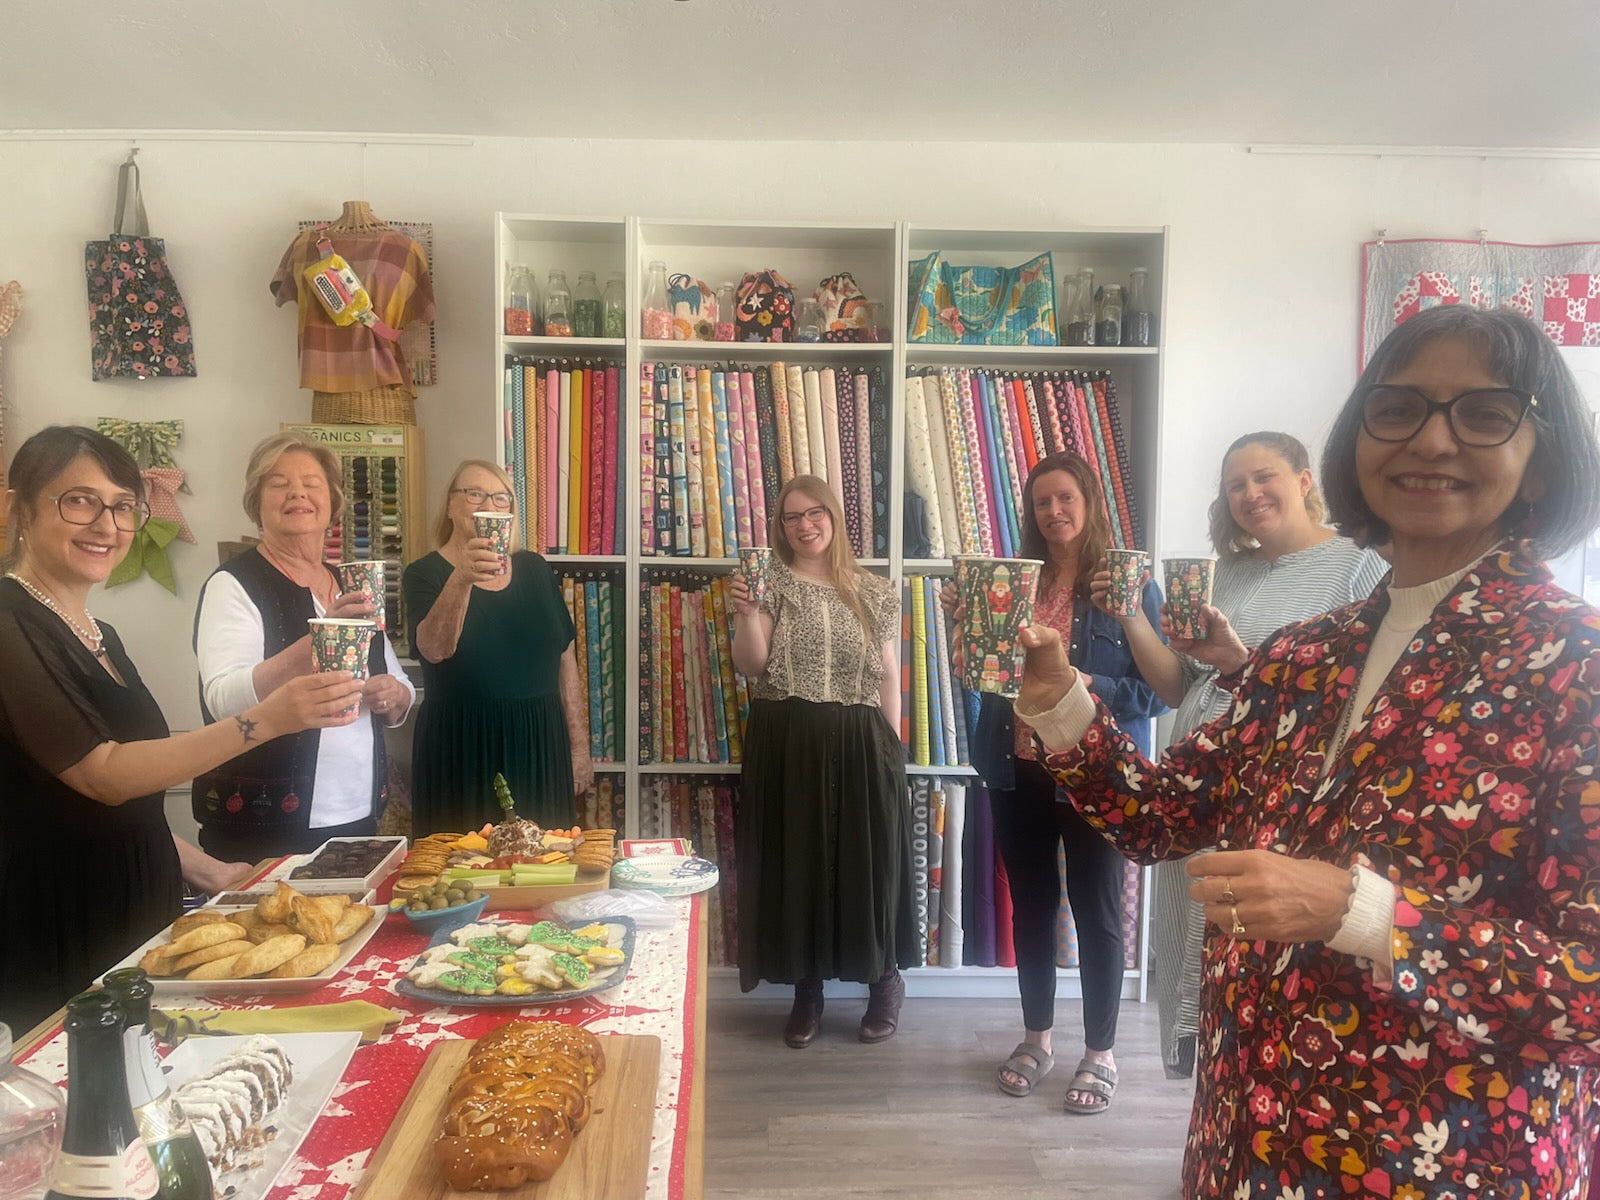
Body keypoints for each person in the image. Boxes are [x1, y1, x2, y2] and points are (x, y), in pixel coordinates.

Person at [1014, 305, 1600, 1198]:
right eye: (1397, 409)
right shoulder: (1305, 654)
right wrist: (1061, 704)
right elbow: (1162, 814)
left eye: (1483, 414)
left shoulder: (1577, 670)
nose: (1432, 440)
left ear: (1541, 458)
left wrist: (1364, 913)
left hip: (1440, 1161)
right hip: (1245, 1141)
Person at [0, 426, 363, 1033]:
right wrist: (269, 719)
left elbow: (129, 802)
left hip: (139, 906)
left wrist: (205, 869)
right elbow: (105, 775)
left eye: (122, 506)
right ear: (17, 510)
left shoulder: (98, 634)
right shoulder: (10, 622)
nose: (106, 525)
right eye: (79, 501)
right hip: (61, 914)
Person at [1088, 431, 1386, 1078]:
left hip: (1278, 784)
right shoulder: (1232, 572)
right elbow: (1177, 687)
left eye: (1264, 476)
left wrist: (1243, 665)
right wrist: (1132, 615)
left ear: (1305, 480)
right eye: (1236, 485)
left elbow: (1352, 694)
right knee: (1195, 937)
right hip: (1198, 776)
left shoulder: (1359, 567)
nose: (1251, 494)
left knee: (1248, 951)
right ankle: (1211, 1116)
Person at [944, 451, 1168, 1114]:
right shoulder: (1017, 582)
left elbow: (1158, 691)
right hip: (1019, 770)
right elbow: (980, 677)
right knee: (1032, 909)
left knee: (1098, 915)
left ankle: (1100, 1053)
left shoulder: (1124, 585)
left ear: (1089, 502)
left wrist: (1083, 682)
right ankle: (1037, 1037)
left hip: (1096, 777)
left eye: (1066, 498)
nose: (1055, 512)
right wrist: (969, 624)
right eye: (1043, 502)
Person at [730, 475, 918, 1047]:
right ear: (780, 527)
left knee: (868, 862)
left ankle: (884, 981)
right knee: (799, 863)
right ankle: (805, 991)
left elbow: (888, 675)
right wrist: (746, 611)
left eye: (815, 513)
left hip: (861, 740)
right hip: (788, 738)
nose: (805, 525)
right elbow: (752, 666)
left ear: (834, 518)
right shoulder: (769, 581)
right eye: (791, 517)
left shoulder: (875, 591)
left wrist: (893, 752)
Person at [193, 431, 415, 861]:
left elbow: (397, 683)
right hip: (263, 827)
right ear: (256, 503)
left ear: (332, 503)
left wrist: (394, 696)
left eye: (311, 483)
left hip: (358, 814)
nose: (297, 492)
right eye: (278, 482)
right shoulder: (235, 583)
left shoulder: (348, 583)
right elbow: (223, 700)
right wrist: (318, 640)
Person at [401, 460, 591, 834]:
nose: (489, 504)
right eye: (475, 494)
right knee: (462, 875)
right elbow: (434, 648)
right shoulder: (424, 573)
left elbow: (565, 658)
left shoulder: (534, 569)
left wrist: (579, 749)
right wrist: (461, 579)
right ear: (452, 506)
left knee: (546, 867)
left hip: (540, 743)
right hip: (462, 746)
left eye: (501, 498)